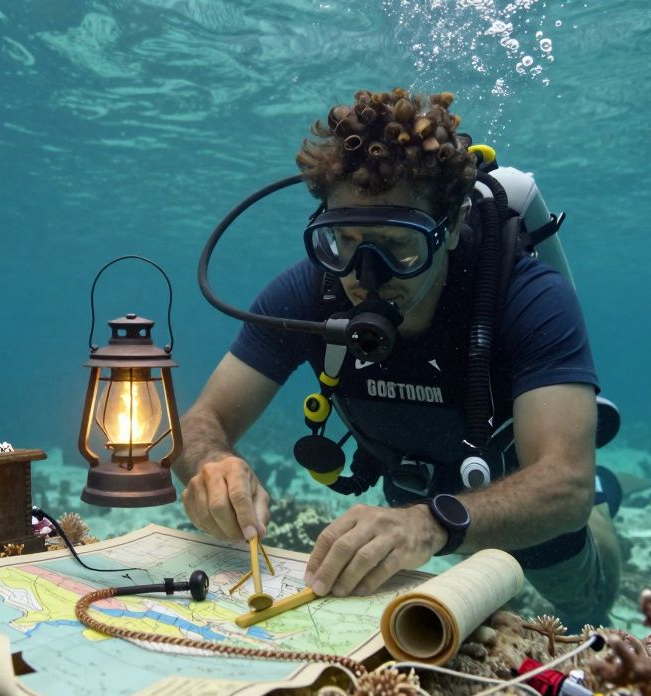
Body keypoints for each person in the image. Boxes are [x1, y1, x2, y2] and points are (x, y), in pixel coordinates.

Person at [172, 87, 622, 628]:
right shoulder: (309, 292)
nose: (367, 276)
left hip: (521, 501)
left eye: (400, 246)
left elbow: (565, 486)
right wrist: (212, 463)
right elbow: (201, 421)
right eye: (345, 240)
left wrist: (429, 525)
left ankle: (610, 498)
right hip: (411, 489)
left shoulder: (527, 297)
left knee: (586, 602)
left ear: (449, 228)